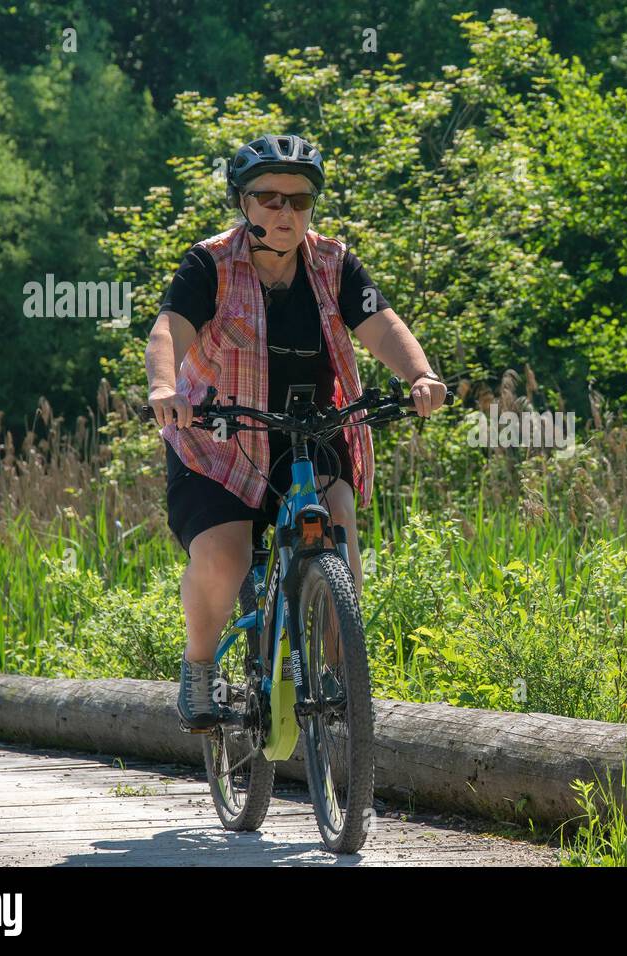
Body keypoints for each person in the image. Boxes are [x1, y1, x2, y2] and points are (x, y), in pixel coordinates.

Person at [144, 133, 448, 732]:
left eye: (300, 201)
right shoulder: (210, 263)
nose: (287, 213)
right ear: (244, 203)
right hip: (219, 438)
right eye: (270, 198)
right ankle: (200, 668)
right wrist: (163, 389)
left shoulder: (333, 262)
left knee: (337, 512)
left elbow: (381, 325)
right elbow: (168, 330)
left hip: (310, 428)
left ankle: (343, 670)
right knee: (226, 554)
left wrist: (420, 375)